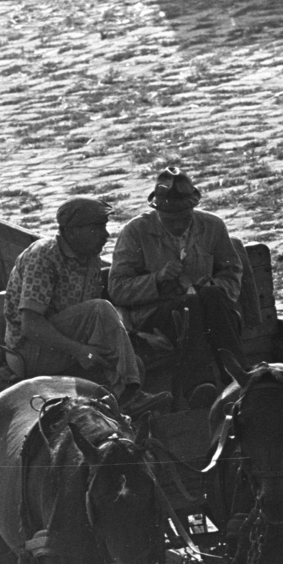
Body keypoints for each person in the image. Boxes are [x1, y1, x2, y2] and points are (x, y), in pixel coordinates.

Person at [2, 196, 168, 419]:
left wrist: (136, 338)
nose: (106, 235)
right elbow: (30, 326)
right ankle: (129, 397)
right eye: (98, 228)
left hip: (63, 344)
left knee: (136, 363)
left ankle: (121, 404)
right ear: (71, 232)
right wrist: (80, 351)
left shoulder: (90, 259)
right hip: (29, 352)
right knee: (100, 309)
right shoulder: (43, 256)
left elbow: (93, 324)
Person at [109, 167, 246, 405]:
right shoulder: (135, 232)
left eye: (185, 217)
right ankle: (198, 386)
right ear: (157, 211)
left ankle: (240, 378)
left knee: (211, 295)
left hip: (211, 311)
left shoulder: (212, 226)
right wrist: (157, 279)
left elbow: (231, 271)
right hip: (157, 316)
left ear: (193, 208)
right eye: (170, 219)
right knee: (189, 305)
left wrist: (212, 284)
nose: (178, 225)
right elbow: (117, 288)